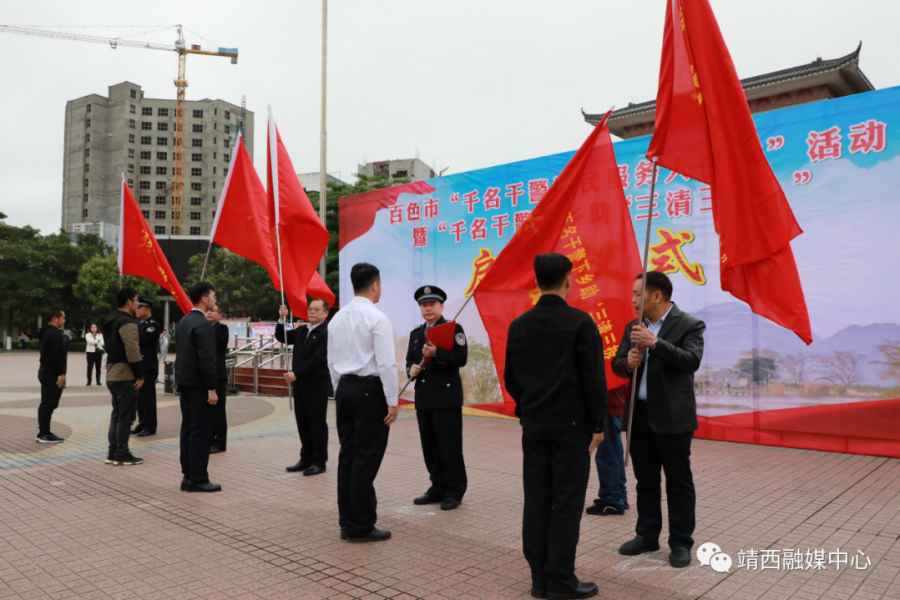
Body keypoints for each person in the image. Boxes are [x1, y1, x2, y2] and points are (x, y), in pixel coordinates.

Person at [504, 253, 607, 600]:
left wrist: (528, 408)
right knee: (566, 502)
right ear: (568, 280)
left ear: (537, 281)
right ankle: (561, 579)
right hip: (571, 426)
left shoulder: (518, 325)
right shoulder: (581, 323)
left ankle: (539, 579)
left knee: (536, 500)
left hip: (534, 425)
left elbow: (511, 379)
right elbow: (594, 379)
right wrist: (597, 424)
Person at [612, 271, 705, 569]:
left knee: (679, 482)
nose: (633, 299)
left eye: (638, 294)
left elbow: (691, 360)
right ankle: (646, 535)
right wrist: (628, 362)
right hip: (639, 416)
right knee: (645, 481)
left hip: (674, 418)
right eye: (633, 293)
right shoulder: (633, 326)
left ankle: (680, 543)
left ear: (657, 296)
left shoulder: (690, 324)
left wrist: (656, 344)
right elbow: (617, 364)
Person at [327, 263, 399, 543]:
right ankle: (360, 525)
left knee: (348, 454)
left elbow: (331, 361)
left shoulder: (336, 318)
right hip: (369, 391)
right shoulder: (377, 317)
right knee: (366, 457)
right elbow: (386, 363)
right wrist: (392, 401)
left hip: (344, 388)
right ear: (375, 285)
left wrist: (340, 389)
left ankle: (347, 521)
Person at [405, 285, 468, 511]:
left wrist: (437, 354)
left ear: (441, 306)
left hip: (446, 397)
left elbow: (461, 358)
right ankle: (437, 486)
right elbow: (409, 360)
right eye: (424, 305)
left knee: (449, 445)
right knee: (430, 446)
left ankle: (454, 490)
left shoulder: (453, 328)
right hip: (424, 398)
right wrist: (410, 369)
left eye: (432, 304)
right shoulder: (415, 334)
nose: (428, 308)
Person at [276, 299, 332, 475]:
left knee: (316, 424)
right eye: (310, 309)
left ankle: (319, 461)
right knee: (303, 423)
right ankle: (306, 458)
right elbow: (282, 337)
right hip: (300, 385)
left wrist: (297, 373)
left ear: (325, 313)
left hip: (316, 385)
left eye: (317, 309)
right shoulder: (301, 330)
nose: (312, 312)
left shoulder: (328, 332)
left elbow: (319, 358)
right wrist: (281, 319)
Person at [175, 282, 220, 492]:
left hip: (185, 383)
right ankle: (198, 478)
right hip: (200, 386)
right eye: (213, 296)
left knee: (188, 430)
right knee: (201, 432)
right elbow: (207, 359)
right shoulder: (203, 324)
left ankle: (188, 475)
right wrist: (211, 388)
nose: (215, 300)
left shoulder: (184, 320)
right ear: (204, 299)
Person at [102, 288, 146, 466]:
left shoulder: (109, 320)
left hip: (112, 373)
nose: (137, 305)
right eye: (136, 301)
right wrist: (140, 374)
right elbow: (132, 350)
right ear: (129, 302)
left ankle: (112, 453)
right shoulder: (127, 322)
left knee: (116, 415)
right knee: (126, 418)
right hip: (125, 374)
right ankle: (122, 453)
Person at [586, 385, 629, 516]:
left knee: (608, 455)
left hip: (608, 404)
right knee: (614, 451)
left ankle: (613, 499)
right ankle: (619, 494)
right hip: (615, 402)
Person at [36, 308, 68, 444]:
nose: (64, 321)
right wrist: (61, 373)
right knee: (48, 404)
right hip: (52, 374)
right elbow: (56, 356)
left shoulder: (46, 332)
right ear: (55, 319)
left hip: (44, 371)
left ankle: (44, 431)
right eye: (63, 318)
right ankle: (44, 433)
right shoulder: (55, 334)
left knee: (45, 404)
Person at [131, 297, 161, 437]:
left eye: (140, 307)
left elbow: (139, 338)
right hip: (138, 366)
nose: (137, 310)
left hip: (148, 367)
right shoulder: (138, 324)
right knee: (139, 398)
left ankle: (150, 426)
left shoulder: (153, 325)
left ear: (148, 309)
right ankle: (142, 423)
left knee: (148, 397)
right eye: (137, 307)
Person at [207, 305, 229, 454]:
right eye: (207, 311)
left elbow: (212, 343)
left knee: (219, 410)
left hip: (218, 375)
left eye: (212, 311)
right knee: (208, 410)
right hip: (206, 375)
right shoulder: (204, 327)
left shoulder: (221, 329)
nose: (208, 313)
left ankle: (220, 442)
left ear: (219, 315)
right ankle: (209, 440)